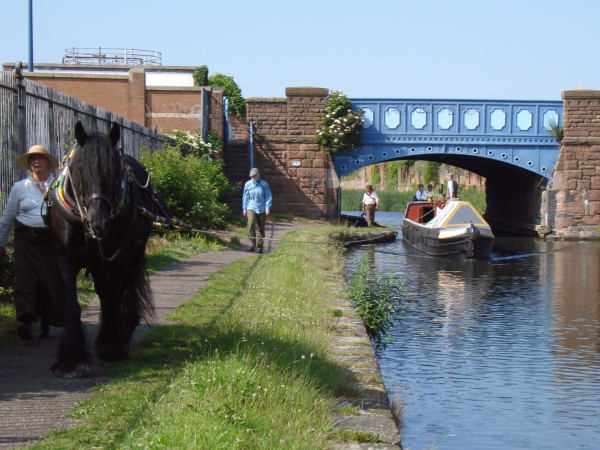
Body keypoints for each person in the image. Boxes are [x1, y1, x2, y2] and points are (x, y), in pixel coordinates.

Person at [0, 145, 64, 340]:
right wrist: (1, 243)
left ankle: (46, 323)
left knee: (49, 282)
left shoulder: (58, 186)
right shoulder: (20, 187)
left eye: (40, 158)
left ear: (47, 163)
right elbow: (7, 217)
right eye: (32, 159)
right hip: (25, 240)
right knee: (25, 280)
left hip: (50, 241)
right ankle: (26, 322)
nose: (36, 161)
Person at [242, 167, 272, 253]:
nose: (253, 177)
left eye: (255, 175)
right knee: (250, 224)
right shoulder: (248, 184)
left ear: (259, 174)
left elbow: (268, 196)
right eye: (252, 176)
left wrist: (267, 207)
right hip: (251, 206)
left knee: (261, 227)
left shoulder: (264, 184)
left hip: (262, 208)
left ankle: (260, 246)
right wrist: (244, 209)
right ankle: (251, 244)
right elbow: (245, 197)